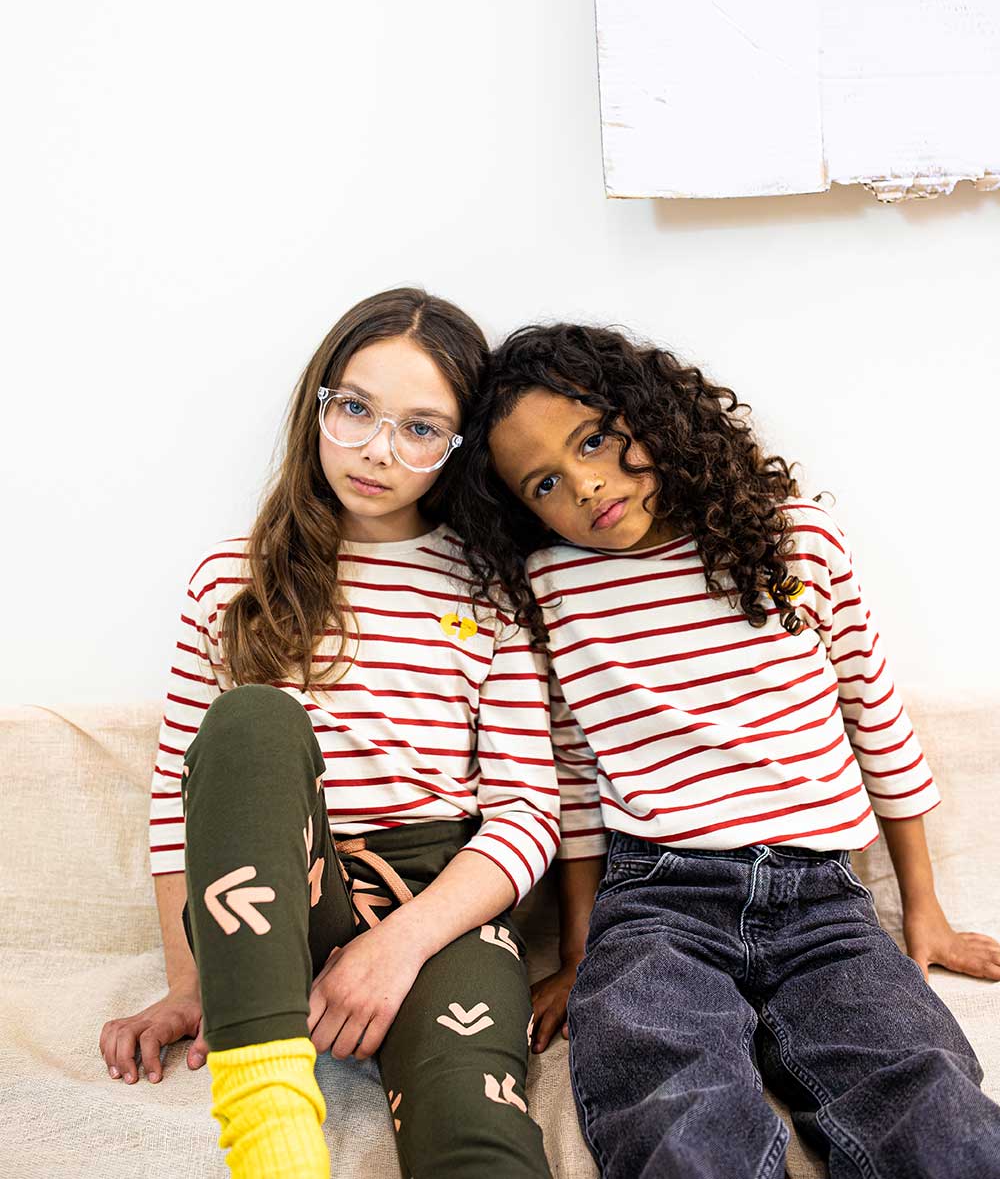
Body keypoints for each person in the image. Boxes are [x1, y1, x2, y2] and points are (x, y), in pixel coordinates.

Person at [452, 319, 1000, 1179]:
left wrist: (923, 908)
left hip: (822, 897)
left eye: (595, 438)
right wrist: (583, 953)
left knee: (927, 1096)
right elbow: (577, 779)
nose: (587, 483)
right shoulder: (554, 586)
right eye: (546, 482)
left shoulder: (795, 539)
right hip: (657, 901)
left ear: (650, 412)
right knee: (671, 1106)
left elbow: (876, 715)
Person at [99, 288, 559, 1179]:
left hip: (437, 902)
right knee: (253, 719)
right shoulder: (232, 579)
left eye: (420, 428)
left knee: (475, 1124)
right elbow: (176, 799)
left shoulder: (492, 592)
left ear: (459, 449)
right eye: (354, 410)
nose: (376, 451)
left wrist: (400, 944)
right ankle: (271, 1132)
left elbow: (529, 814)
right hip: (269, 886)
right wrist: (192, 988)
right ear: (320, 403)